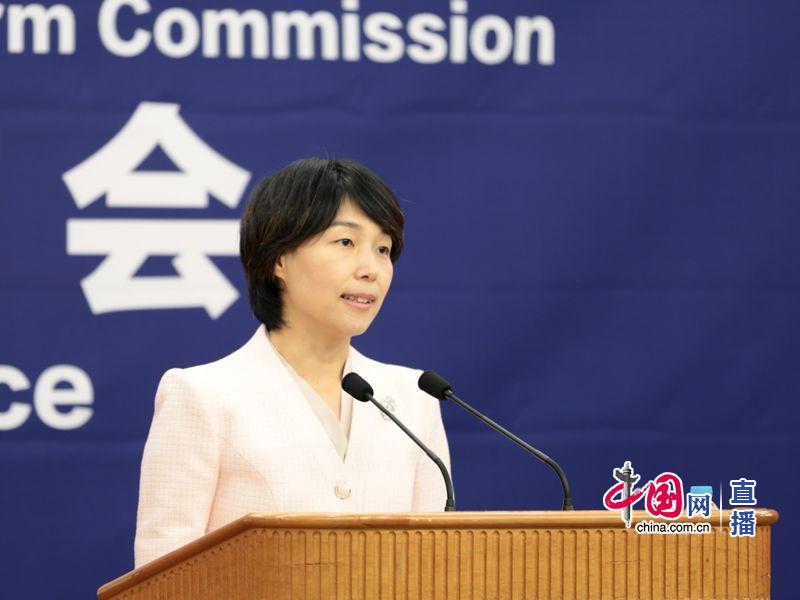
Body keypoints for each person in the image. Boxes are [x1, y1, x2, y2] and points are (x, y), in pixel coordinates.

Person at [133, 158, 451, 567]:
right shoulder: (203, 396)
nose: (371, 270)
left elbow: (435, 565)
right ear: (278, 259)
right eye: (345, 242)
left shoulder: (414, 398)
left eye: (383, 249)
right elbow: (159, 577)